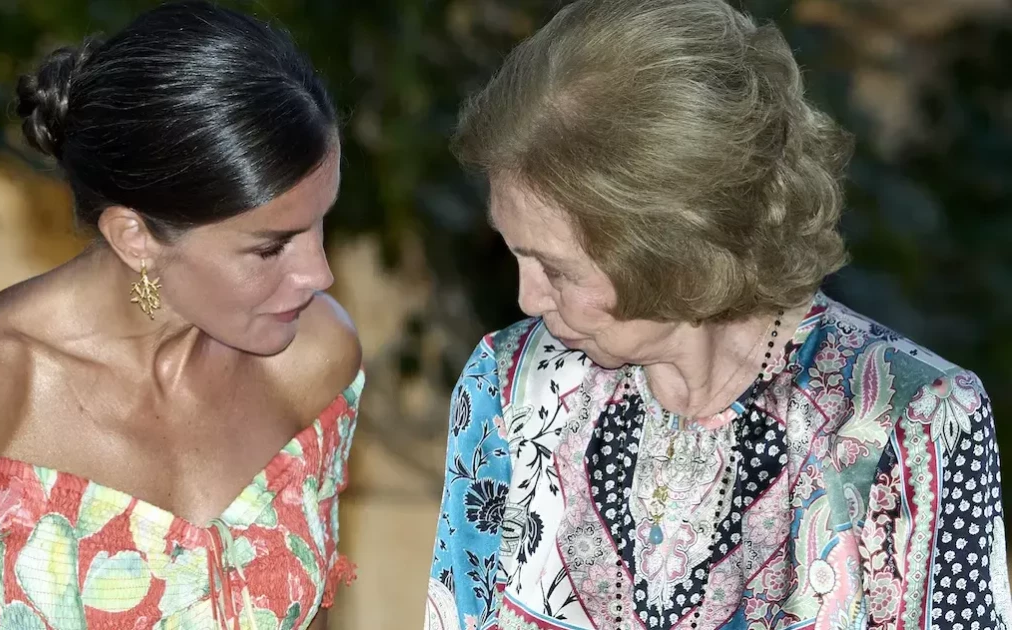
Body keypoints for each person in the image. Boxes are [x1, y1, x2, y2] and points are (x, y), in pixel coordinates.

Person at [424, 1, 1009, 629]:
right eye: (513, 252)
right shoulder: (508, 385)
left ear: (677, 250)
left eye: (557, 269)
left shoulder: (910, 420)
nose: (528, 299)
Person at [0, 2, 362, 629]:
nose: (319, 274)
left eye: (320, 223)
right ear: (135, 237)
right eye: (270, 248)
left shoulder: (314, 358)